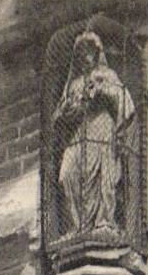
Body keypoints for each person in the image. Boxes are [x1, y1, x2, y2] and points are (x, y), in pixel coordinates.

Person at [54, 31, 135, 238]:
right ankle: (78, 226)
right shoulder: (73, 84)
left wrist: (101, 91)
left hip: (102, 124)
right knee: (66, 174)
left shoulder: (107, 75)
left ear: (97, 52)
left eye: (89, 51)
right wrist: (72, 107)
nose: (85, 56)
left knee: (102, 174)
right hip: (81, 131)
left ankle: (103, 222)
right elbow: (59, 116)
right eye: (81, 52)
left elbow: (124, 100)